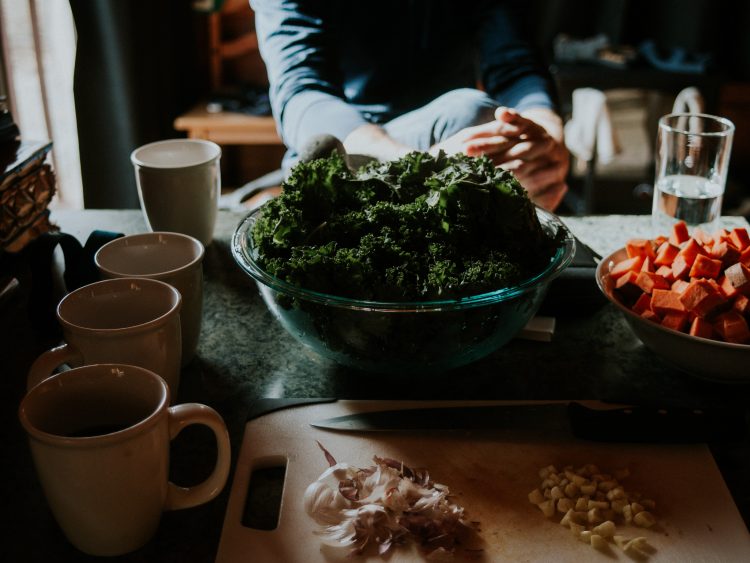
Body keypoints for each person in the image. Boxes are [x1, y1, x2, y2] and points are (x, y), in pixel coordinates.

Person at [250, 0, 569, 211]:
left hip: (454, 140)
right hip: (352, 149)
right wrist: (419, 168)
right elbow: (301, 94)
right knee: (472, 112)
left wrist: (546, 138)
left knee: (492, 128)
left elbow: (514, 61)